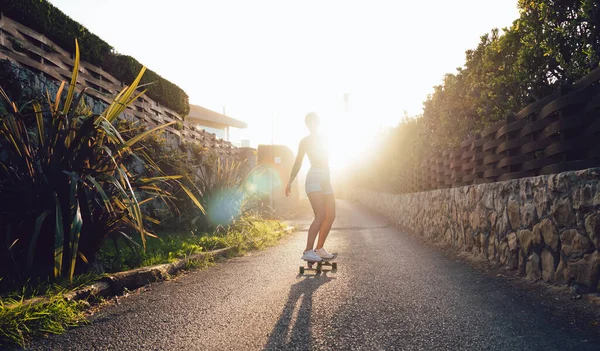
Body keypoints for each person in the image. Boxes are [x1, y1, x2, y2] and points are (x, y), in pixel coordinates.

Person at [285, 112, 336, 262]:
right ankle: (308, 251)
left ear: (319, 122)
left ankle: (319, 249)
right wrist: (290, 181)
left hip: (326, 178)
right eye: (310, 122)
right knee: (320, 216)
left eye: (316, 121)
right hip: (314, 177)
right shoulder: (305, 141)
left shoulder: (325, 137)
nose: (313, 124)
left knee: (331, 216)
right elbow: (298, 162)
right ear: (307, 125)